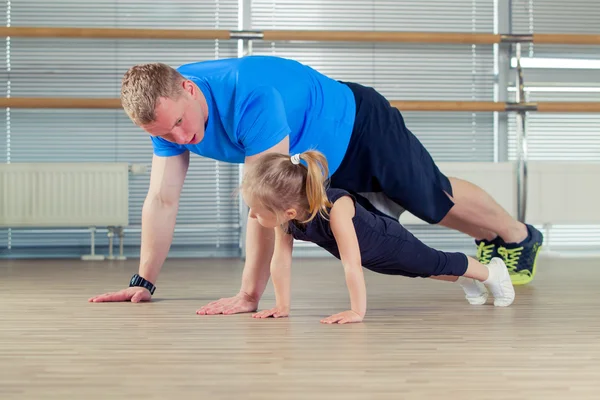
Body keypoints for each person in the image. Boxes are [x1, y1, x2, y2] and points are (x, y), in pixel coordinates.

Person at [88, 55, 543, 311]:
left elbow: (263, 202)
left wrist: (250, 295)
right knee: (377, 242)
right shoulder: (166, 114)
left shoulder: (251, 96)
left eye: (180, 125)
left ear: (188, 88)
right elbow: (163, 199)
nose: (180, 139)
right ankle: (484, 249)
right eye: (165, 135)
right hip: (315, 160)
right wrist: (143, 279)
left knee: (431, 200)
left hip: (360, 124)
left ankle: (516, 236)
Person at [242, 150, 515, 324]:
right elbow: (281, 261)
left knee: (432, 263)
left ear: (288, 210)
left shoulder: (337, 208)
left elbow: (350, 263)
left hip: (388, 242)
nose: (252, 216)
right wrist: (282, 305)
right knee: (421, 271)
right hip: (372, 255)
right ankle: (468, 278)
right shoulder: (287, 221)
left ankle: (491, 273)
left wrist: (356, 311)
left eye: (256, 210)